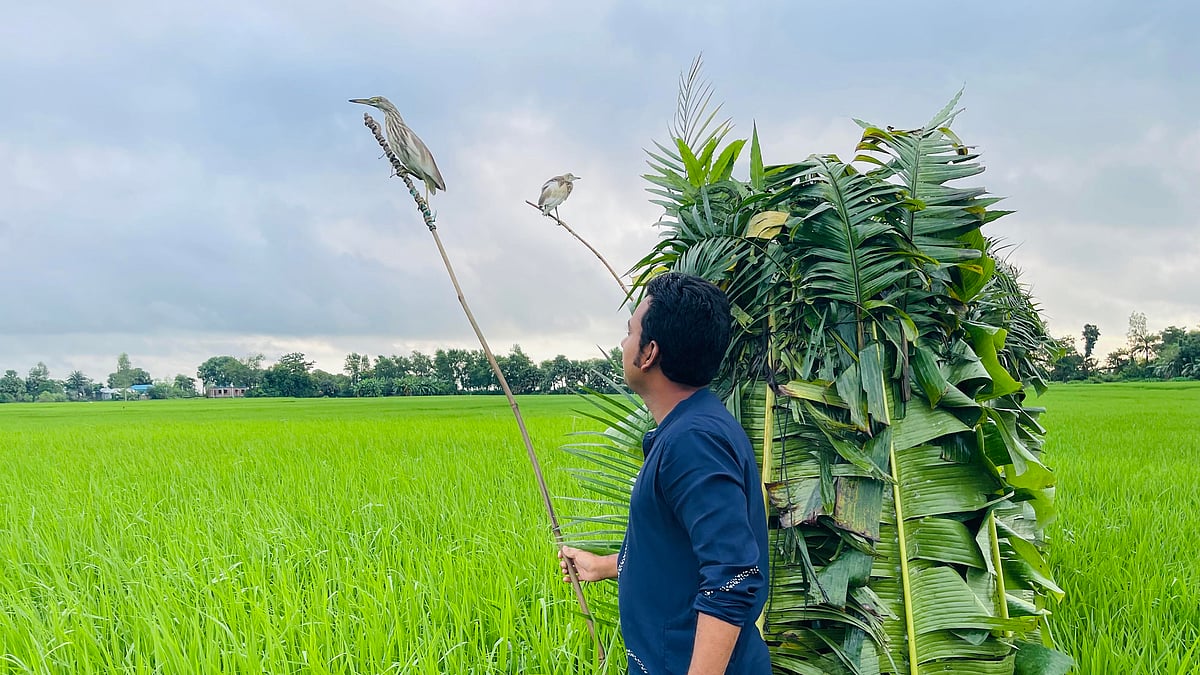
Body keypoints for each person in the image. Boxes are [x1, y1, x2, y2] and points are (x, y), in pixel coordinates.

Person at [559, 272, 771, 674]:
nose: (623, 344)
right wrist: (605, 566)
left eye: (630, 332)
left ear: (649, 353)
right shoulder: (692, 427)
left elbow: (732, 579)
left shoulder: (693, 442)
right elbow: (683, 551)